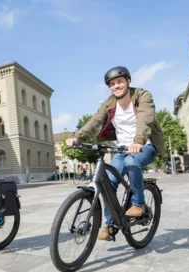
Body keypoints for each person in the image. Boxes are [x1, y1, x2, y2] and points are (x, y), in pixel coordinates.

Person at [67, 66, 166, 240]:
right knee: (107, 183)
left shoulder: (143, 96)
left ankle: (139, 204)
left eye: (120, 81)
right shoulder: (109, 103)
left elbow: (145, 117)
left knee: (131, 163)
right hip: (121, 148)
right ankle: (111, 224)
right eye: (112, 84)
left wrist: (138, 141)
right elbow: (95, 120)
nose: (116, 86)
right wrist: (77, 136)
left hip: (145, 145)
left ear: (128, 81)